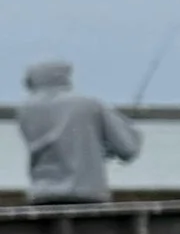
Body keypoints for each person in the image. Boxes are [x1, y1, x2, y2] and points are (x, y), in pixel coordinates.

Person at [18, 61, 141, 203]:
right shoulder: (89, 104)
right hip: (86, 195)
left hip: (40, 196)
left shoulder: (25, 111)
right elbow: (128, 149)